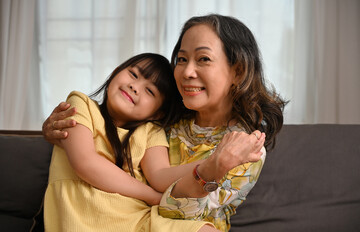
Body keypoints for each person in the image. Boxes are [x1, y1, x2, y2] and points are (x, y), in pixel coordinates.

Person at [42, 14, 286, 232]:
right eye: (181, 59)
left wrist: (216, 164)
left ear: (238, 72)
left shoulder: (246, 150)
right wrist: (57, 129)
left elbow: (182, 213)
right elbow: (104, 142)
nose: (187, 72)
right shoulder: (162, 119)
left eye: (203, 59)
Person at [43, 53, 217, 232]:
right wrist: (153, 196)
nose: (135, 87)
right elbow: (86, 163)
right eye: (133, 74)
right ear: (115, 73)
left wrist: (212, 162)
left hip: (139, 221)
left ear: (158, 113)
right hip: (84, 222)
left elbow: (160, 176)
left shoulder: (150, 131)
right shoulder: (81, 104)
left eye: (150, 91)